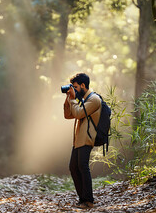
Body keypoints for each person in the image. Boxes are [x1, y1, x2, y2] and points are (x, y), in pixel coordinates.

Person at [63, 73, 101, 209]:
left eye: (75, 87)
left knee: (83, 167)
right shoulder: (83, 100)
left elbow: (79, 113)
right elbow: (68, 115)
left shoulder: (94, 99)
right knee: (73, 167)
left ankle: (88, 200)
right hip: (78, 140)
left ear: (83, 85)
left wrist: (73, 100)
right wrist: (69, 99)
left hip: (86, 138)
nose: (74, 89)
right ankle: (82, 199)